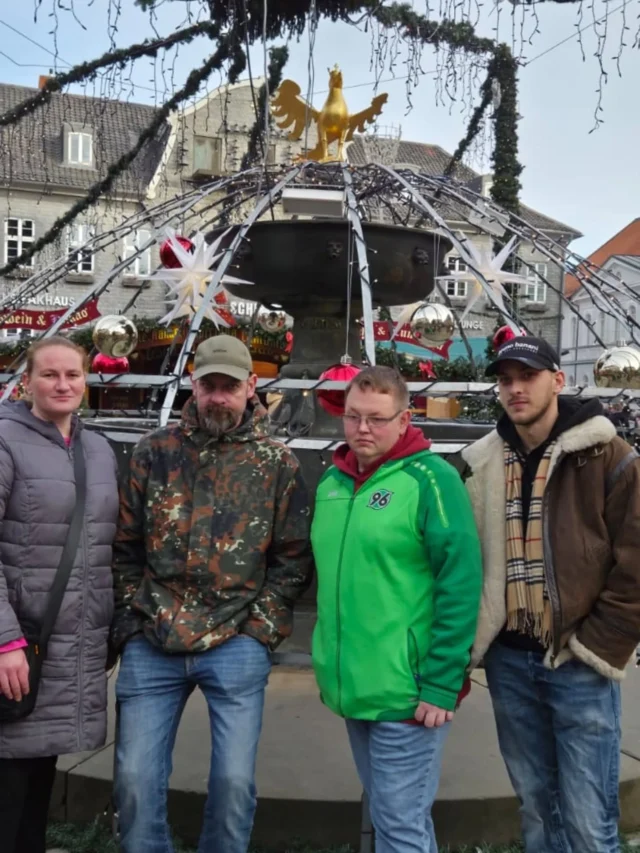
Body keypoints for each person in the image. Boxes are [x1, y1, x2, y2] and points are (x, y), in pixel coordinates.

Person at [112, 334, 313, 853]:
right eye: (209, 386)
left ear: (251, 387)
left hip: (236, 640)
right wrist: (135, 615)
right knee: (134, 779)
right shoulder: (153, 453)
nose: (218, 397)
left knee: (234, 785)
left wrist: (259, 629)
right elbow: (125, 545)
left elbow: (293, 557)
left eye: (229, 386)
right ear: (193, 386)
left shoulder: (276, 464)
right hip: (153, 638)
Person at [461, 335, 640, 853]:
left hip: (577, 659)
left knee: (588, 821)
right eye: (506, 379)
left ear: (558, 381)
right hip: (510, 660)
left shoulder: (607, 457)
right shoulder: (482, 460)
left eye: (528, 376)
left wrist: (597, 645)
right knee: (537, 807)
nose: (515, 389)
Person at [311, 366, 482, 853]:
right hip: (353, 686)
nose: (363, 429)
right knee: (398, 821)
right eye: (353, 417)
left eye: (377, 419)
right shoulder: (333, 483)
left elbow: (461, 581)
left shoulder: (432, 479)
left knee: (399, 825)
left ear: (405, 419)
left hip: (408, 694)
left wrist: (443, 683)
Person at [0, 335, 119, 853]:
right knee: (8, 775)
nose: (62, 384)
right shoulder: (5, 439)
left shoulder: (96, 448)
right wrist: (4, 640)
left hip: (68, 647)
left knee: (39, 768)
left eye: (72, 374)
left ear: (86, 381)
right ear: (27, 381)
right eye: (49, 374)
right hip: (19, 642)